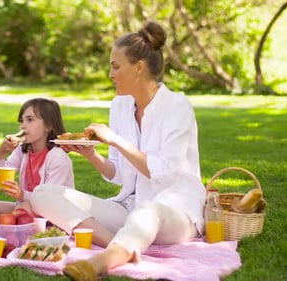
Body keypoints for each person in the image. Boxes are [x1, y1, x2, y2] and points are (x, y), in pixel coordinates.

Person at [29, 21, 206, 281]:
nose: (110, 74)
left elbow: (165, 172)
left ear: (139, 67)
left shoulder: (177, 106)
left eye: (115, 66)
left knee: (148, 212)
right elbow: (119, 174)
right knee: (42, 194)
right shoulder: (120, 106)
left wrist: (114, 140)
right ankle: (122, 243)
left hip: (176, 211)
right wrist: (91, 155)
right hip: (130, 208)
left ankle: (103, 261)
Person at [0, 98, 75, 225]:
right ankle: (6, 227)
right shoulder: (22, 151)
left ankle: (9, 227)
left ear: (48, 126)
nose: (23, 125)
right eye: (22, 121)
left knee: (23, 207)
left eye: (30, 120)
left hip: (53, 213)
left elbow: (50, 201)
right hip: (24, 208)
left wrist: (22, 194)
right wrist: (1, 153)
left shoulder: (58, 157)